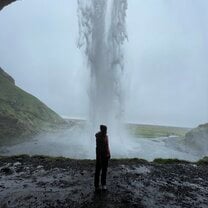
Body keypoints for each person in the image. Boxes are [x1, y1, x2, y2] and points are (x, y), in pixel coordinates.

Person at [94, 125, 111, 192]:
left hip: (105, 156)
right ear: (102, 130)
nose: (106, 132)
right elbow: (98, 149)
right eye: (105, 130)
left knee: (104, 171)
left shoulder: (106, 136)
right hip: (100, 157)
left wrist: (109, 153)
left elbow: (107, 146)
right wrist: (99, 158)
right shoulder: (98, 137)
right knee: (98, 171)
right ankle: (96, 186)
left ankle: (103, 184)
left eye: (106, 130)